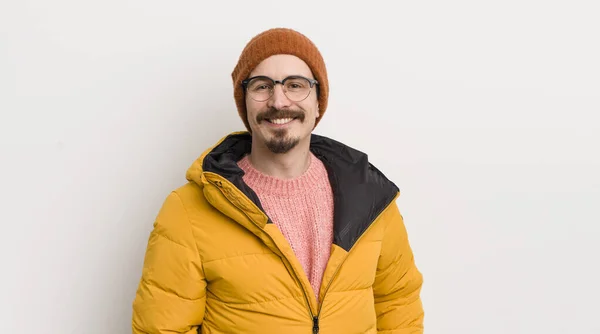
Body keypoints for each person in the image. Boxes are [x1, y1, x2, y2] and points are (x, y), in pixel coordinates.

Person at [131, 27, 424, 334]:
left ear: (319, 101)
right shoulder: (187, 211)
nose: (279, 101)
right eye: (262, 86)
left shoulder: (371, 199)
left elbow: (398, 305)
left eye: (295, 85)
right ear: (244, 102)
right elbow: (161, 329)